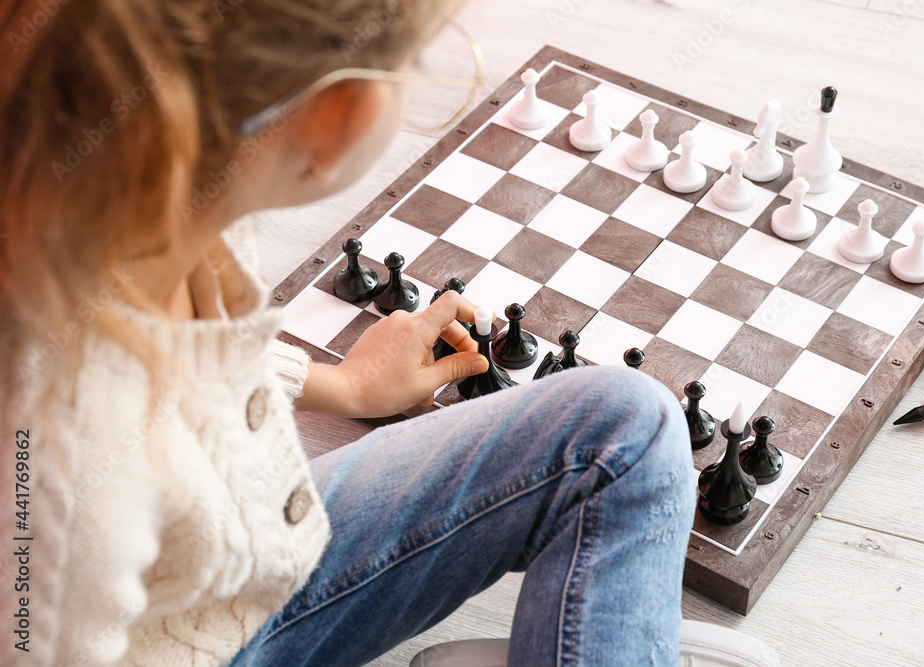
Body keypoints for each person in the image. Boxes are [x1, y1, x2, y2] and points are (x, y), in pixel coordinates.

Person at [0, 0, 696, 665]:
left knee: (628, 424)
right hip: (193, 634)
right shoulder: (61, 484)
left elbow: (181, 360)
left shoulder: (137, 192)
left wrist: (344, 383)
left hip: (232, 568)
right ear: (339, 117)